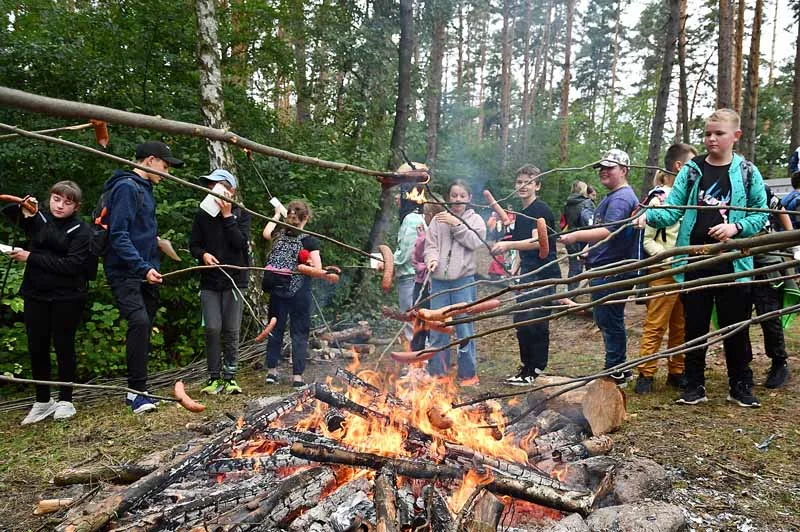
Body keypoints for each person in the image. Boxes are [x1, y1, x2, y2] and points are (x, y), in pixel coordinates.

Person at [640, 108, 767, 407]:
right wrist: (649, 215)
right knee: (694, 327)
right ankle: (694, 385)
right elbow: (673, 210)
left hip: (732, 262)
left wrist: (736, 227)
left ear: (735, 136)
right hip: (694, 261)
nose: (711, 139)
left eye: (718, 133)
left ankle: (740, 385)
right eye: (708, 133)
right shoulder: (692, 170)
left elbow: (760, 213)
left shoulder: (747, 172)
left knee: (735, 326)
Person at [103, 141, 183, 414]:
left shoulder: (145, 190)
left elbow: (138, 231)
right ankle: (136, 392)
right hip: (126, 271)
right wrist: (141, 267)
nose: (167, 171)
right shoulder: (127, 187)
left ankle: (138, 390)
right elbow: (118, 235)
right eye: (165, 164)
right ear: (149, 160)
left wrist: (157, 244)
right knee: (138, 322)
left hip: (146, 270)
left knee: (144, 326)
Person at [3, 182, 91, 424]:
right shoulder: (38, 220)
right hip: (35, 294)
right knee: (37, 346)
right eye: (55, 199)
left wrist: (30, 256)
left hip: (67, 297)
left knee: (63, 346)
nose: (60, 205)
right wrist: (25, 206)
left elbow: (71, 264)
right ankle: (43, 401)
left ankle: (66, 400)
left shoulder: (81, 231)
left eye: (67, 202)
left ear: (76, 206)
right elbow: (9, 212)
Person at [559, 149, 639, 385]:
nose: (603, 171)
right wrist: (589, 249)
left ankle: (615, 370)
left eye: (609, 168)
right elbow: (605, 233)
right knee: (607, 318)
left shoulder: (621, 198)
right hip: (604, 264)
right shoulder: (610, 196)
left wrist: (576, 237)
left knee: (610, 319)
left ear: (623, 170)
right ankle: (619, 367)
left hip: (613, 269)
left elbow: (609, 230)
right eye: (601, 168)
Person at [634, 143, 697, 394]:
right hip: (664, 271)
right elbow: (648, 239)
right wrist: (668, 259)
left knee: (681, 324)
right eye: (692, 166)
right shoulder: (659, 198)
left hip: (688, 270)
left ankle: (677, 371)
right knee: (656, 323)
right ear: (679, 167)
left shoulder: (692, 198)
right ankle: (646, 373)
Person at [492, 166, 561, 385]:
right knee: (521, 320)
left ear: (537, 185)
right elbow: (523, 250)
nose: (523, 186)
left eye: (528, 182)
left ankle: (536, 369)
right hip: (527, 274)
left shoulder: (541, 210)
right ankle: (526, 367)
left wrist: (507, 244)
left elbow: (535, 242)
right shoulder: (522, 214)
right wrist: (515, 269)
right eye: (520, 181)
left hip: (544, 274)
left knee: (537, 321)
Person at [189, 169, 251, 395]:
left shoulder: (242, 214)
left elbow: (240, 244)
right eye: (209, 186)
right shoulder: (202, 214)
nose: (211, 190)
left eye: (216, 186)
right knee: (213, 328)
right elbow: (194, 244)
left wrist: (227, 217)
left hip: (235, 281)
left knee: (231, 329)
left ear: (229, 191)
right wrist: (203, 255)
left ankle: (230, 376)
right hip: (210, 282)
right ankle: (214, 378)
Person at [424, 180, 486, 386]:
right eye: (454, 195)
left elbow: (474, 242)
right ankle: (438, 373)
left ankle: (468, 374)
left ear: (469, 198)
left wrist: (456, 224)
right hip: (439, 282)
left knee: (464, 329)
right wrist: (431, 259)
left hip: (464, 281)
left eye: (462, 196)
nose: (457, 200)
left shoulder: (475, 220)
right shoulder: (437, 220)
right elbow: (430, 246)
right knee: (438, 328)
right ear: (449, 198)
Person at [262, 200, 320, 387]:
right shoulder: (309, 240)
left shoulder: (278, 234)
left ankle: (272, 372)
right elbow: (318, 269)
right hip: (300, 292)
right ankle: (297, 377)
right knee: (299, 332)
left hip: (277, 290)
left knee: (274, 329)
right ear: (306, 218)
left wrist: (276, 215)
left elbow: (265, 233)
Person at [750, 184, 792, 389]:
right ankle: (741, 365)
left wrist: (793, 241)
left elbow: (780, 208)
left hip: (765, 258)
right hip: (736, 259)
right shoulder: (720, 188)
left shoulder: (756, 183)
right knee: (735, 313)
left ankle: (779, 362)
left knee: (769, 313)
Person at [393, 168, 426, 350]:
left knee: (411, 319)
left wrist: (387, 261)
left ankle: (416, 364)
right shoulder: (417, 217)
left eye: (401, 195)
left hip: (410, 277)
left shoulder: (411, 219)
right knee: (417, 319)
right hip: (415, 276)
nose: (397, 198)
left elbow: (406, 251)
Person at [411, 202, 444, 351]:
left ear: (431, 216)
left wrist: (422, 238)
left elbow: (421, 259)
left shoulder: (431, 236)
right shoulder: (425, 234)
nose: (424, 217)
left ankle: (427, 355)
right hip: (422, 282)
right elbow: (416, 259)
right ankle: (418, 356)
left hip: (430, 284)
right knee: (420, 319)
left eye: (425, 214)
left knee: (426, 319)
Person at [562, 181, 595, 290]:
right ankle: (596, 296)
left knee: (574, 268)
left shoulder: (568, 204)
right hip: (585, 240)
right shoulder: (586, 203)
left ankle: (570, 295)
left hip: (571, 239)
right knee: (592, 268)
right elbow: (589, 223)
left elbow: (564, 222)